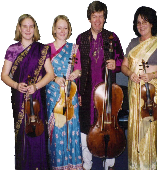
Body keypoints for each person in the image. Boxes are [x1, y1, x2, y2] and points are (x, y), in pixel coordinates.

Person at [121, 6, 157, 170]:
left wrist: (152, 76)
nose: (141, 25)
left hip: (151, 92)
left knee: (149, 130)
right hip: (136, 91)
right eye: (138, 22)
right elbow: (123, 66)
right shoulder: (132, 43)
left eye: (145, 22)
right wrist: (130, 74)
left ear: (152, 23)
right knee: (135, 130)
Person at [1, 14, 54, 170]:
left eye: (31, 26)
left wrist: (36, 86)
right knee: (22, 137)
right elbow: (4, 75)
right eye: (25, 26)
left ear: (35, 29)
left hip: (38, 98)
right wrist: (17, 85)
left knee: (38, 135)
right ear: (19, 28)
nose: (28, 29)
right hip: (19, 98)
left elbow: (50, 74)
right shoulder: (12, 49)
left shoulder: (42, 49)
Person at [76, 1, 124, 169]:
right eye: (94, 16)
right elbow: (77, 67)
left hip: (107, 91)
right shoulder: (81, 38)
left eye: (101, 16)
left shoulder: (112, 37)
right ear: (89, 19)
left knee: (109, 125)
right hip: (86, 89)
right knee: (85, 125)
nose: (97, 20)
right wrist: (78, 93)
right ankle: (87, 162)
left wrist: (115, 64)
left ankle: (109, 160)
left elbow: (122, 61)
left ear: (105, 18)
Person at [46, 15, 83, 170]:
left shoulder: (74, 48)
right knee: (57, 132)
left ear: (69, 31)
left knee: (72, 129)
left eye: (65, 28)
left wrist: (76, 73)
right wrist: (54, 78)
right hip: (54, 95)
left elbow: (79, 69)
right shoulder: (46, 49)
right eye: (59, 27)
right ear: (54, 29)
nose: (62, 31)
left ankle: (73, 165)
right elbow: (42, 73)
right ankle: (58, 165)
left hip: (70, 94)